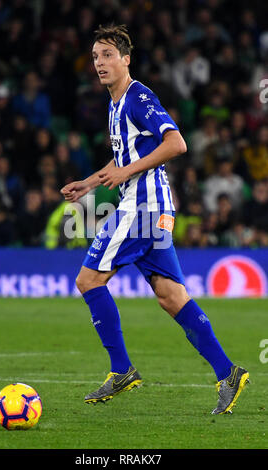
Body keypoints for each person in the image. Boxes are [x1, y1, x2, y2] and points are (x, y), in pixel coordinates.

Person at [60, 24, 249, 414]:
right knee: (171, 296)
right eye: (95, 57)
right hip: (152, 208)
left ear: (126, 59)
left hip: (143, 206)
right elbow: (123, 159)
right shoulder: (115, 105)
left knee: (88, 279)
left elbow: (176, 142)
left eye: (108, 55)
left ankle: (122, 369)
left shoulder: (137, 96)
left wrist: (125, 175)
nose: (100, 63)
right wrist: (89, 184)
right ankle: (228, 372)